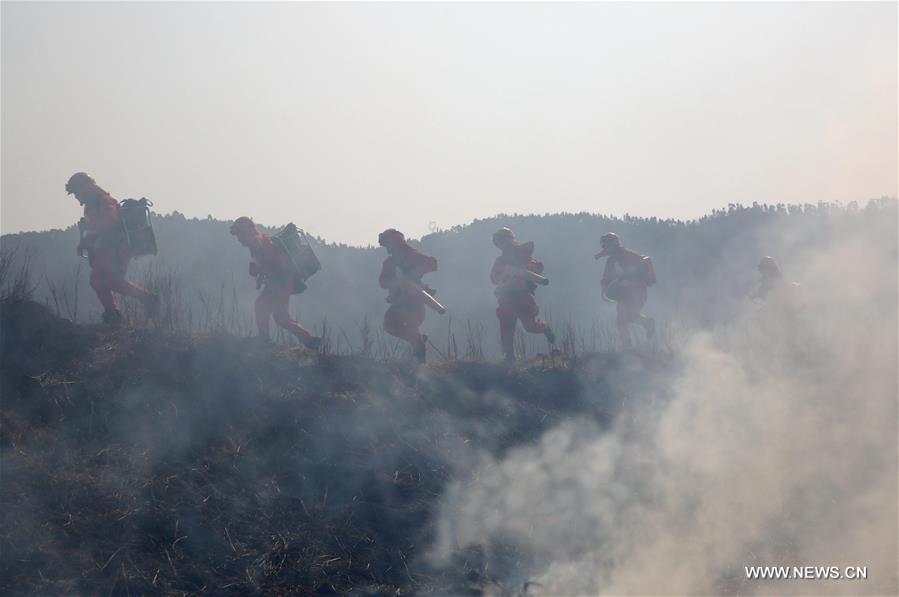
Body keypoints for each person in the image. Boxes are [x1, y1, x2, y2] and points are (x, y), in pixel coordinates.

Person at [67, 172, 157, 325]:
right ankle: (112, 314)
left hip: (115, 248)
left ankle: (147, 299)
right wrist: (84, 243)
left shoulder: (98, 199)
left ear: (81, 188)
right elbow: (99, 229)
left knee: (111, 282)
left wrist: (87, 228)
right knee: (97, 281)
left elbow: (110, 222)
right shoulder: (94, 200)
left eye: (75, 192)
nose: (75, 197)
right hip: (107, 248)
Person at [230, 217, 321, 350]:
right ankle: (311, 341)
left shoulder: (261, 244)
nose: (239, 239)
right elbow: (270, 266)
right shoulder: (257, 244)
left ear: (247, 232)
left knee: (261, 306)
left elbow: (280, 264)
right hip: (282, 283)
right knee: (281, 318)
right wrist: (259, 275)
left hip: (281, 283)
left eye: (239, 235)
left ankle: (264, 341)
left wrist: (260, 270)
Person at [490, 227, 555, 363]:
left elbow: (538, 268)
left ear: (509, 239)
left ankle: (544, 327)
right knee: (506, 326)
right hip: (506, 297)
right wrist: (505, 273)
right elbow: (494, 279)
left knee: (530, 326)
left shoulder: (523, 255)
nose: (502, 244)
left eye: (503, 240)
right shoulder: (500, 261)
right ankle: (509, 355)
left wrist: (523, 269)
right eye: (499, 242)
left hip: (523, 296)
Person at [378, 229, 437, 363]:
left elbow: (432, 264)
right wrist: (396, 281)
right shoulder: (389, 263)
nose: (387, 246)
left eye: (388, 243)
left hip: (414, 302)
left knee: (412, 327)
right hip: (399, 303)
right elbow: (382, 282)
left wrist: (414, 272)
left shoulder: (413, 255)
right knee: (389, 324)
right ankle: (417, 341)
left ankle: (421, 364)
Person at [595, 232, 655, 350]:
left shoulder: (631, 256)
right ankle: (629, 344)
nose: (605, 248)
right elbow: (606, 278)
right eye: (604, 246)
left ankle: (642, 330)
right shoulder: (611, 261)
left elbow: (642, 273)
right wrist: (605, 287)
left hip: (636, 292)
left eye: (606, 245)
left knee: (627, 317)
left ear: (613, 244)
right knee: (622, 320)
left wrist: (628, 281)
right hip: (623, 294)